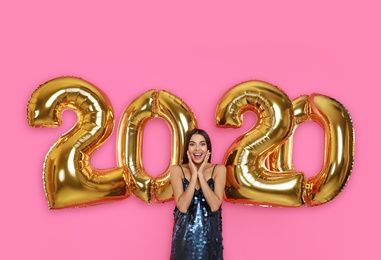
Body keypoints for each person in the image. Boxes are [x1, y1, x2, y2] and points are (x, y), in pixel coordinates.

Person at [170, 128, 226, 260]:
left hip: (210, 242)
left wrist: (200, 174)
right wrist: (194, 173)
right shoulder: (177, 170)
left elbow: (214, 205)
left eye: (202, 144)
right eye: (192, 144)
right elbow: (182, 207)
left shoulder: (219, 170)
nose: (197, 149)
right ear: (187, 149)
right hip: (183, 242)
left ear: (208, 149)